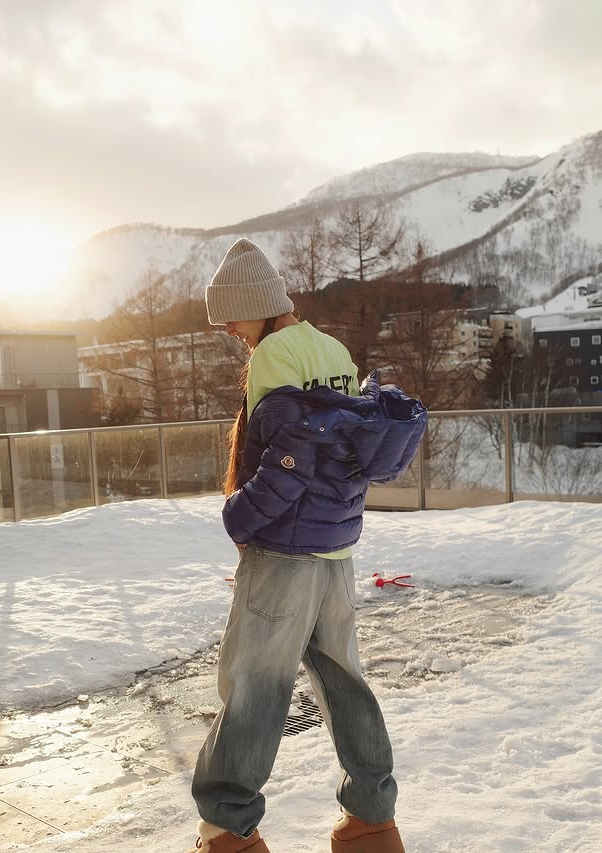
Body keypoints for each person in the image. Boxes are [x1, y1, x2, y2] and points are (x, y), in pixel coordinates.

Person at [188, 238, 426, 853]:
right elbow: (338, 451)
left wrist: (242, 517)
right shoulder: (332, 349)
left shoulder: (274, 354)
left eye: (231, 318)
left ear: (254, 305)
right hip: (336, 547)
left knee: (256, 684)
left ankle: (228, 829)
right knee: (345, 681)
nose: (231, 332)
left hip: (284, 550)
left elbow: (289, 455)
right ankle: (372, 819)